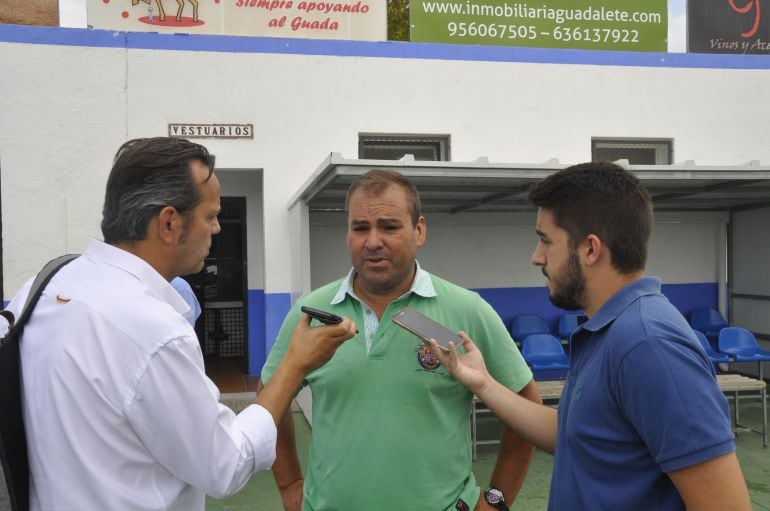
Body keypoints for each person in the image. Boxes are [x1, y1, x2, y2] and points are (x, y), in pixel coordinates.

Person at [4, 137, 356, 511]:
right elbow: (226, 465)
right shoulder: (152, 331)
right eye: (210, 216)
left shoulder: (48, 283)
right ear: (169, 223)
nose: (217, 228)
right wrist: (294, 365)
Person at [428, 161, 752, 511]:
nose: (536, 257)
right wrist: (483, 384)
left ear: (590, 249)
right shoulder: (609, 331)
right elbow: (575, 435)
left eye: (545, 241)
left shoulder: (648, 344)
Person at [260, 170, 541, 511]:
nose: (373, 241)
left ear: (419, 230)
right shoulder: (311, 314)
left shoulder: (467, 311)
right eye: (360, 227)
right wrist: (290, 484)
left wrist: (497, 499)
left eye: (389, 226)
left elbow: (526, 403)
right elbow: (269, 400)